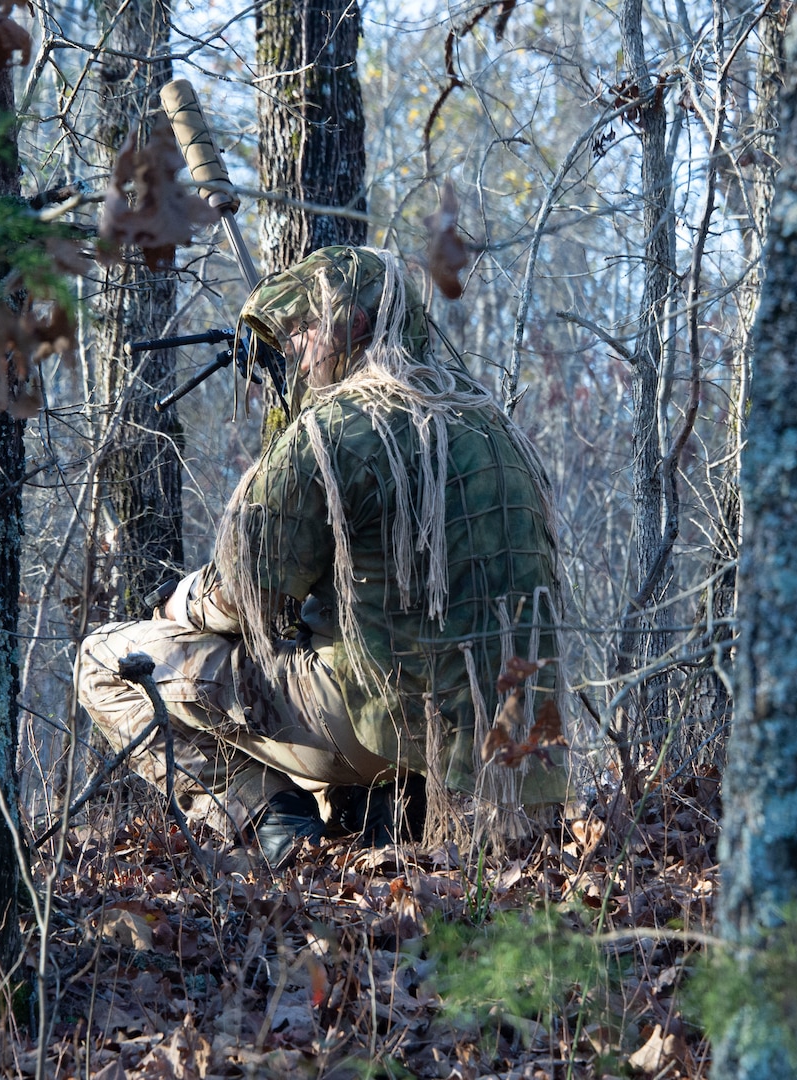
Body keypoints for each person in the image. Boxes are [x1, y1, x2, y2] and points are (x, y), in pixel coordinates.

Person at [76, 246, 568, 867]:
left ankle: (267, 814)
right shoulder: (494, 425)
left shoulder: (337, 426)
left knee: (102, 659)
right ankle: (387, 809)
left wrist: (182, 603)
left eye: (306, 328)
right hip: (512, 736)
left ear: (354, 325)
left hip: (387, 718)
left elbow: (246, 594)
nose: (297, 350)